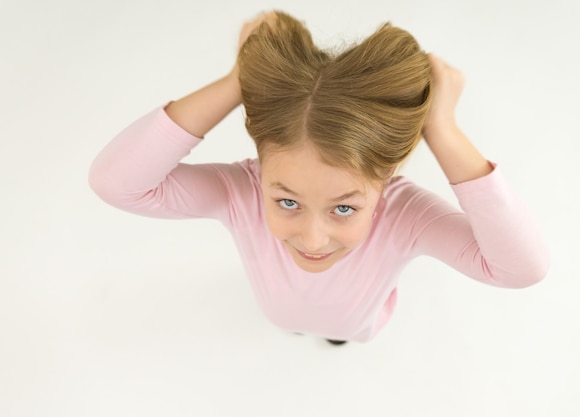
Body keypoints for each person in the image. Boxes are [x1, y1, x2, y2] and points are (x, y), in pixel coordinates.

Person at [89, 11, 549, 345]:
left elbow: (520, 269)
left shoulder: (408, 217)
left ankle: (334, 339)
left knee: (341, 334)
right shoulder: (240, 193)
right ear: (261, 167)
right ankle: (295, 325)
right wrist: (238, 81)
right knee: (287, 320)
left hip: (360, 325)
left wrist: (443, 130)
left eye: (344, 208)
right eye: (286, 202)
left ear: (386, 177)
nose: (312, 238)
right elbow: (118, 183)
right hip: (277, 311)